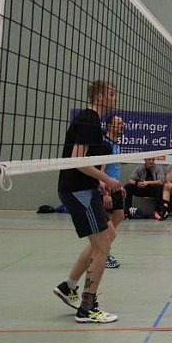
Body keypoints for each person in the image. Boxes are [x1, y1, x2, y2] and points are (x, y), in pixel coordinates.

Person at [52, 80, 122, 323]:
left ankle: (68, 286)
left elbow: (85, 163)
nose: (115, 98)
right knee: (103, 245)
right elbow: (78, 161)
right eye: (111, 94)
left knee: (108, 234)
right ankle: (87, 307)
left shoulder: (94, 122)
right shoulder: (88, 119)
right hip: (77, 191)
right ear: (100, 96)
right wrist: (108, 180)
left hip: (85, 188)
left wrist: (99, 182)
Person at [101, 115, 126, 268]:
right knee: (107, 226)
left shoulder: (117, 144)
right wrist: (104, 193)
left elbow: (114, 169)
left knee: (120, 216)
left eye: (122, 123)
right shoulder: (105, 144)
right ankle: (103, 254)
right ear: (110, 126)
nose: (122, 126)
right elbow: (101, 170)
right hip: (106, 188)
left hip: (115, 187)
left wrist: (120, 185)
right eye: (118, 123)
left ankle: (100, 250)